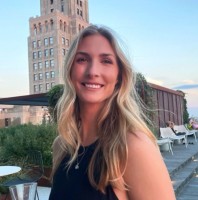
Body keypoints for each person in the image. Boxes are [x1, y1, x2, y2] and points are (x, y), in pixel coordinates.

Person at [49, 25, 175, 200]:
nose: (93, 71)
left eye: (106, 61)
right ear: (70, 70)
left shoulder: (133, 146)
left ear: (119, 77)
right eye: (82, 59)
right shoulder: (61, 146)